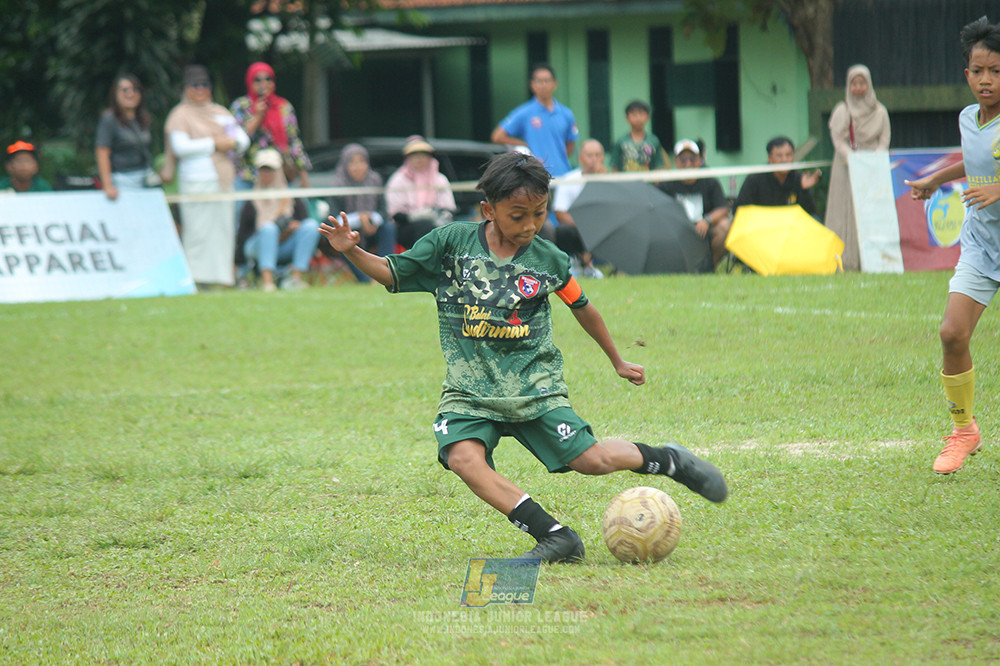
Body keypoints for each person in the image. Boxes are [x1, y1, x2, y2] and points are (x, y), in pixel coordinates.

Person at [318, 152, 728, 563]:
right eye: (518, 216)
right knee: (462, 457)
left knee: (592, 460)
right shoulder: (450, 245)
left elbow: (581, 306)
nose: (530, 225)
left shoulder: (548, 259)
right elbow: (392, 272)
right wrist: (352, 251)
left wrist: (617, 360)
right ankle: (556, 536)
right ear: (488, 210)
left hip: (534, 385)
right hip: (470, 390)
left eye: (539, 213)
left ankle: (668, 460)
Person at [904, 17, 1000, 474]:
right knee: (951, 334)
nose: (986, 80)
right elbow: (973, 159)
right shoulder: (968, 119)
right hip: (982, 245)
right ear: (966, 74)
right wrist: (934, 179)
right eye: (978, 71)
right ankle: (964, 431)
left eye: (996, 71)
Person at [165, 65, 250, 288]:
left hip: (223, 179)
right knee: (198, 231)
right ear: (186, 88)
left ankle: (221, 279)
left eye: (204, 85)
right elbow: (180, 147)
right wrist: (214, 143)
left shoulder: (220, 113)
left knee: (222, 231)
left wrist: (232, 142)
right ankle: (195, 279)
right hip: (196, 180)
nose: (200, 89)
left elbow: (242, 139)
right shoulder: (180, 114)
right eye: (195, 85)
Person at [825, 64, 891, 271]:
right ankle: (843, 260)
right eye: (854, 83)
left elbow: (884, 139)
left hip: (872, 168)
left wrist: (874, 159)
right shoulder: (842, 110)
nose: (858, 88)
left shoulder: (880, 111)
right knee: (844, 210)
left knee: (871, 211)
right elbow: (838, 140)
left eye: (862, 83)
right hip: (847, 167)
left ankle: (872, 260)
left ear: (868, 84)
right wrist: (853, 159)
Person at [236, 148, 320, 292]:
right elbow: (242, 236)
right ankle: (267, 281)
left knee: (311, 225)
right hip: (257, 246)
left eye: (270, 170)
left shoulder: (292, 197)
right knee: (269, 229)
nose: (266, 173)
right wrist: (238, 267)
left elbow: (304, 221)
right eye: (263, 170)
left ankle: (296, 279)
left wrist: (294, 227)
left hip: (285, 244)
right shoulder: (251, 200)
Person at [230, 62, 312, 191]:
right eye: (258, 79)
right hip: (248, 176)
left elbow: (294, 142)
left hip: (279, 175)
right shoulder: (241, 106)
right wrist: (258, 117)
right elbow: (237, 141)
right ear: (250, 82)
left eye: (268, 79)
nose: (264, 83)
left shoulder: (284, 107)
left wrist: (304, 177)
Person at [491, 64, 578, 177]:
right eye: (539, 81)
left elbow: (570, 146)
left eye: (547, 81)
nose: (543, 85)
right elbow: (498, 136)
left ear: (555, 84)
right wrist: (524, 146)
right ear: (532, 85)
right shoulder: (524, 112)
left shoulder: (566, 114)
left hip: (563, 175)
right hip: (537, 177)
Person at [326, 143, 397, 283]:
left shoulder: (375, 180)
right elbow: (333, 217)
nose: (357, 166)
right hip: (348, 231)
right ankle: (366, 279)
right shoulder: (337, 185)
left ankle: (387, 272)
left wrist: (371, 220)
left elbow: (383, 211)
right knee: (342, 239)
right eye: (352, 162)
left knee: (388, 227)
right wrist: (359, 219)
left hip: (372, 230)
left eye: (361, 161)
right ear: (345, 164)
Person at [658, 139, 731, 269]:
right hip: (676, 230)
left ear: (699, 161)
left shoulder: (710, 181)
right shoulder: (666, 184)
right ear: (676, 162)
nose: (688, 163)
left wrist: (707, 220)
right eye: (683, 159)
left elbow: (723, 208)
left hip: (703, 229)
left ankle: (709, 268)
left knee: (725, 227)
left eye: (692, 159)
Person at [385, 136, 457, 249]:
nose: (419, 158)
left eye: (423, 154)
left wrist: (436, 218)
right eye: (415, 155)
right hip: (407, 226)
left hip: (437, 223)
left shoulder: (440, 179)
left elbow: (448, 207)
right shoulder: (398, 179)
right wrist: (415, 216)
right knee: (424, 227)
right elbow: (395, 213)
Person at [95, 74, 159, 200]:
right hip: (122, 179)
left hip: (145, 176)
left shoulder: (143, 118)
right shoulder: (109, 119)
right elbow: (102, 151)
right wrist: (107, 185)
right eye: (124, 90)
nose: (130, 94)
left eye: (135, 89)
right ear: (115, 93)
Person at [551, 138, 607, 278]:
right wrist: (584, 226)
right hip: (577, 228)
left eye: (597, 155)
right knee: (563, 230)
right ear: (580, 158)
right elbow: (560, 213)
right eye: (589, 155)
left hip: (603, 227)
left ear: (603, 158)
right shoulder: (569, 179)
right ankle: (576, 262)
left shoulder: (610, 180)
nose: (594, 160)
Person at [734, 136, 821, 218]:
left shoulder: (798, 178)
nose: (784, 160)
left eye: (788, 155)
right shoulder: (754, 179)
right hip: (762, 224)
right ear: (770, 158)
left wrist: (804, 190)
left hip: (789, 225)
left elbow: (810, 214)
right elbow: (740, 211)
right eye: (779, 156)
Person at [609, 100, 669, 173]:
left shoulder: (653, 141)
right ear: (627, 118)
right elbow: (615, 167)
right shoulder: (621, 142)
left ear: (648, 117)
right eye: (634, 115)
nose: (638, 118)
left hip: (648, 179)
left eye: (641, 114)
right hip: (627, 180)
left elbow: (658, 166)